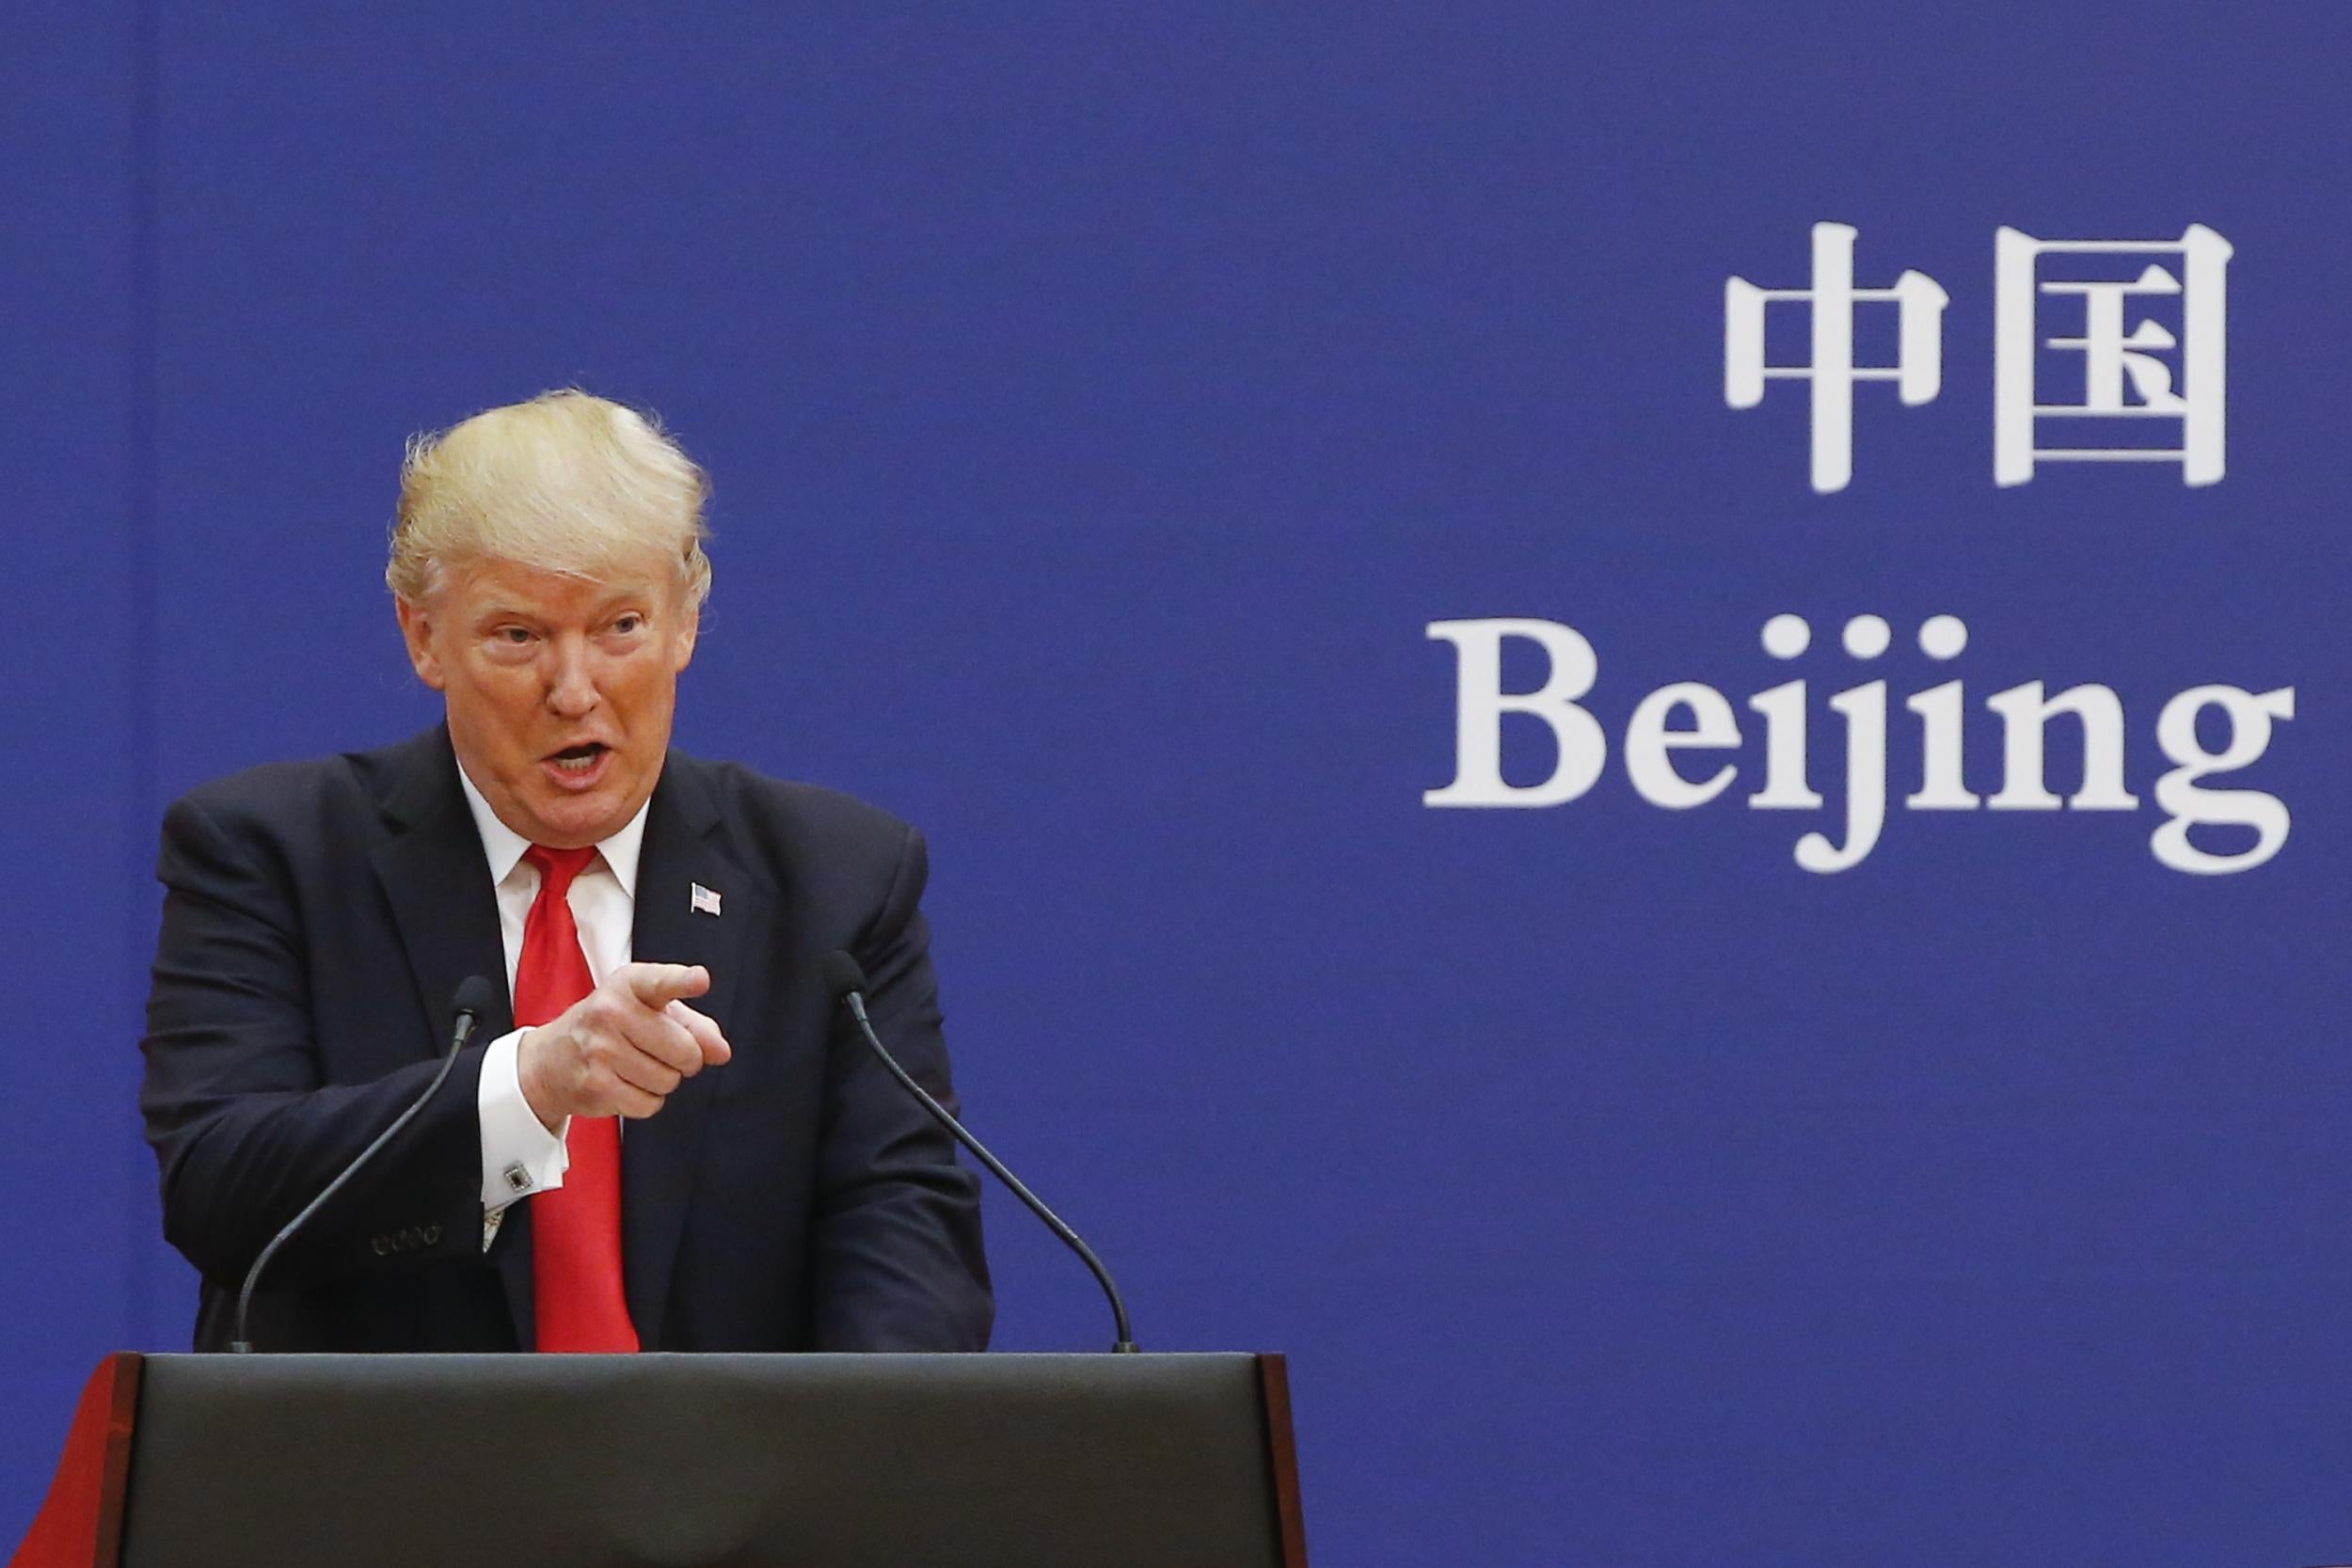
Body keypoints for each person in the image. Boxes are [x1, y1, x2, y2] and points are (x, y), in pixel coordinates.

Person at [139, 390, 992, 1353]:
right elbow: (222, 1191)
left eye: (620, 625)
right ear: (425, 636)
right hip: (382, 1488)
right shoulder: (271, 853)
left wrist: (837, 1471)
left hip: (728, 1492)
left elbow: (902, 1223)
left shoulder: (837, 877)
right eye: (519, 636)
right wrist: (527, 1085)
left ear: (685, 622)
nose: (575, 689)